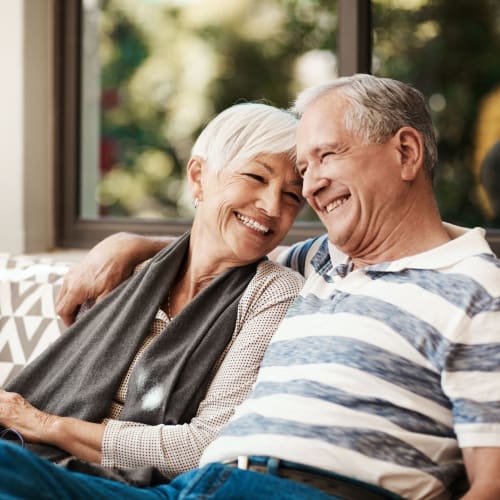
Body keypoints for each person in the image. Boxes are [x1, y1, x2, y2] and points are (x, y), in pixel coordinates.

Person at [1, 73, 500, 499]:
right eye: (305, 170)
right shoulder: (323, 261)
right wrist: (130, 243)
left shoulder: (476, 291)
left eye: (326, 156)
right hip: (199, 487)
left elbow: (492, 484)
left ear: (406, 152)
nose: (309, 187)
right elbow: (224, 244)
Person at [0, 103, 305, 483]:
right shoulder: (127, 271)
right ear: (198, 177)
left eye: (294, 196)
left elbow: (203, 446)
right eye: (256, 177)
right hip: (34, 459)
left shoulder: (274, 292)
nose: (273, 206)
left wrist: (43, 424)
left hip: (111, 482)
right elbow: (71, 386)